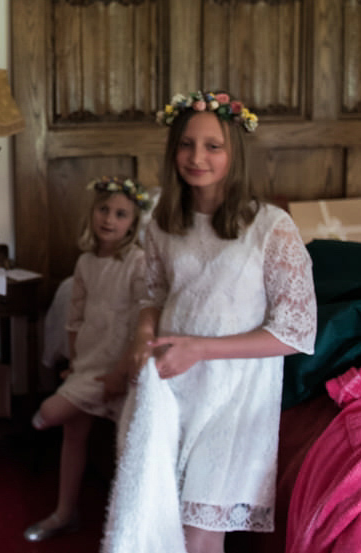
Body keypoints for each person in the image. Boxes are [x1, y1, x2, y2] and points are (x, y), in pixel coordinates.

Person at [118, 91, 317, 553]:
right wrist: (144, 335)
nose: (197, 157)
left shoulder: (270, 226)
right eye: (186, 144)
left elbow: (294, 331)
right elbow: (154, 293)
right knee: (157, 516)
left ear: (235, 152)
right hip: (169, 384)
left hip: (234, 391)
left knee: (199, 532)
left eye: (213, 146)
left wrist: (200, 349)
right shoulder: (162, 223)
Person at [23, 176, 151, 542]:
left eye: (121, 214)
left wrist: (121, 372)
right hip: (88, 366)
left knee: (52, 416)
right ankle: (65, 512)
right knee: (71, 431)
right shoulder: (85, 263)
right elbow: (75, 319)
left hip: (119, 369)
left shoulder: (137, 263)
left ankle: (126, 525)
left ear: (134, 222)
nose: (110, 219)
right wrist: (75, 361)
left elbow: (144, 321)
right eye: (104, 210)